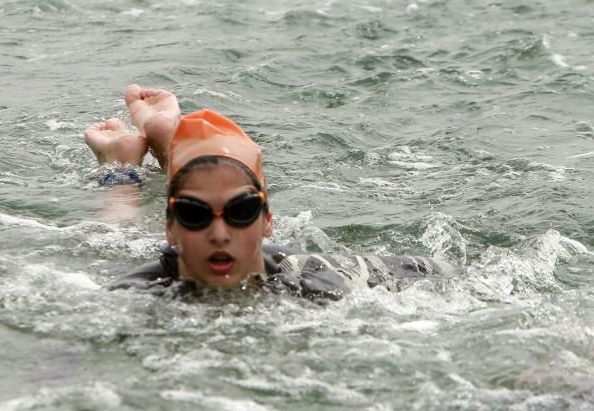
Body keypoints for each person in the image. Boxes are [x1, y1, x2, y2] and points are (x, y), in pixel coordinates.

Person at [84, 85, 455, 299]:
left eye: (241, 211)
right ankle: (121, 168)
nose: (218, 234)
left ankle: (173, 144)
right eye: (193, 215)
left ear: (267, 221)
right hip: (176, 262)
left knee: (201, 185)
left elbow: (451, 276)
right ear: (170, 228)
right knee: (118, 233)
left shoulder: (316, 277)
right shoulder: (137, 291)